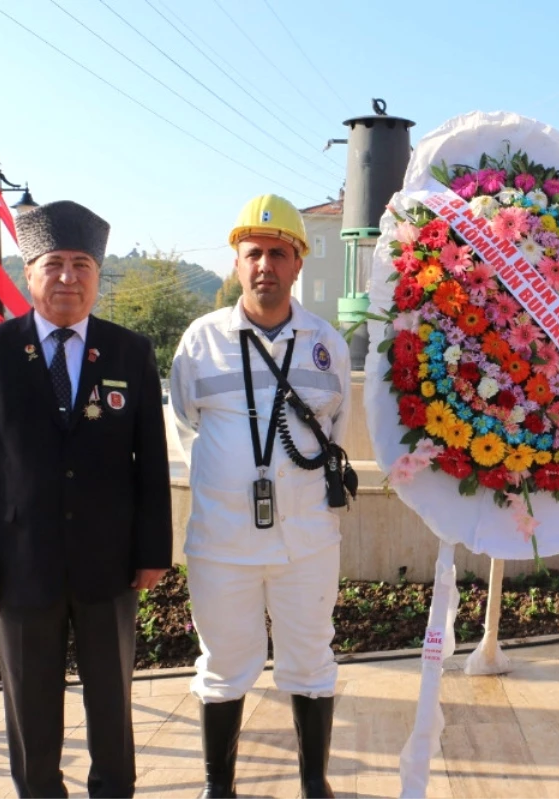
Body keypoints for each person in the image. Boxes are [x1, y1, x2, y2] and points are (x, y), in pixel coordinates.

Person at [0, 200, 173, 799]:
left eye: (82, 265)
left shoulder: (130, 353)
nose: (68, 277)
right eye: (54, 264)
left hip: (109, 563)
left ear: (99, 275)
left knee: (112, 700)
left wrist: (153, 550)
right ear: (30, 272)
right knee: (31, 706)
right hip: (21, 564)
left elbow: (151, 461)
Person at [170, 194, 352, 799]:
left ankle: (314, 784)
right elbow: (184, 428)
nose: (264, 265)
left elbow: (334, 431)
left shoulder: (326, 342)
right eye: (253, 253)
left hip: (306, 543)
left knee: (310, 660)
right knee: (223, 664)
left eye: (279, 252)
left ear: (298, 262)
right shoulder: (201, 341)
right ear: (236, 262)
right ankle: (218, 787)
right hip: (222, 543)